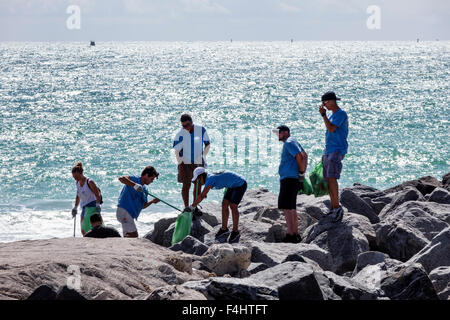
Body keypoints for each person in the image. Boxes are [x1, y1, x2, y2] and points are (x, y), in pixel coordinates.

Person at [189, 168, 247, 243]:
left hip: (240, 184)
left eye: (198, 179)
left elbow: (202, 196)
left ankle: (235, 231)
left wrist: (191, 207)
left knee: (233, 206)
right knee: (224, 204)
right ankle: (224, 229)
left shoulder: (210, 179)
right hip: (231, 185)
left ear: (201, 176)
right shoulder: (208, 177)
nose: (199, 182)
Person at [273, 125, 308, 243]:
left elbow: (300, 156)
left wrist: (302, 172)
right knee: (291, 207)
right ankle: (295, 233)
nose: (278, 135)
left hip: (289, 179)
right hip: (293, 178)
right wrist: (301, 175)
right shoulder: (293, 141)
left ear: (286, 132)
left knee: (287, 207)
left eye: (279, 132)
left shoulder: (289, 142)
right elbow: (305, 155)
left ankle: (290, 234)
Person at [318, 91, 349, 223]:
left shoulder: (340, 114)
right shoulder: (332, 115)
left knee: (332, 178)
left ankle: (337, 207)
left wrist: (323, 115)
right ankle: (333, 206)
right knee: (328, 179)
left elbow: (331, 129)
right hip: (329, 150)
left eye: (324, 103)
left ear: (330, 101)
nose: (324, 106)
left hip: (337, 149)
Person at [173, 114, 211, 208]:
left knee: (198, 185)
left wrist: (203, 155)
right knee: (186, 185)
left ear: (191, 122)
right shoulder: (180, 134)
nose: (185, 127)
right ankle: (186, 207)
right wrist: (180, 164)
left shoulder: (201, 129)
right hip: (184, 163)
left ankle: (194, 206)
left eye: (187, 125)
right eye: (183, 126)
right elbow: (176, 151)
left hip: (198, 161)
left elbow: (207, 144)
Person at [116, 166, 160, 238]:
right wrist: (134, 185)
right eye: (151, 179)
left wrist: (152, 201)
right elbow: (121, 179)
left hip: (130, 215)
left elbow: (143, 206)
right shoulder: (135, 179)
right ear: (146, 175)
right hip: (124, 211)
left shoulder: (145, 189)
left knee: (128, 236)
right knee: (134, 235)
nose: (152, 181)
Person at [71, 162, 103, 236]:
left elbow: (97, 194)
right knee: (83, 229)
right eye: (74, 177)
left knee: (96, 228)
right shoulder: (77, 183)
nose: (75, 179)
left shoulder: (89, 182)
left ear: (81, 173)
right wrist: (75, 207)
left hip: (93, 207)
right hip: (84, 208)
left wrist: (98, 204)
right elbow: (78, 195)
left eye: (76, 176)